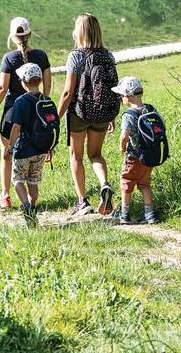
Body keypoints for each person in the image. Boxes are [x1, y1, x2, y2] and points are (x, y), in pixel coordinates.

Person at [56, 13, 121, 216]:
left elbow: (68, 92)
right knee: (96, 154)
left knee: (76, 156)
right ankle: (104, 184)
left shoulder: (76, 56)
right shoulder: (108, 56)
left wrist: (54, 119)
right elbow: (110, 86)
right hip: (102, 112)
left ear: (80, 32)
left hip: (79, 113)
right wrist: (111, 115)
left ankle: (82, 201)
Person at [0, 17, 51, 208]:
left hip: (12, 112)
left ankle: (6, 195)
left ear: (12, 37)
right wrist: (43, 103)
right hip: (36, 112)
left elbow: (2, 88)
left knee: (7, 154)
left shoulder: (9, 58)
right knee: (31, 150)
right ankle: (32, 197)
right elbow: (47, 84)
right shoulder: (41, 56)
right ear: (29, 34)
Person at [6, 62, 60, 227]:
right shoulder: (47, 100)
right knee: (33, 182)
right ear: (40, 81)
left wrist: (9, 146)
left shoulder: (21, 101)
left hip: (24, 149)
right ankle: (33, 207)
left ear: (23, 82)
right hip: (41, 150)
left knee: (17, 180)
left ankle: (26, 206)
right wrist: (50, 147)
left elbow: (16, 127)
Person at [112, 76, 162, 225]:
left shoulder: (129, 115)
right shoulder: (150, 109)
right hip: (149, 155)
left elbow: (124, 136)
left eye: (121, 96)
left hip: (133, 156)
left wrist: (122, 147)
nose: (121, 99)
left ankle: (124, 214)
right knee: (145, 184)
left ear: (127, 96)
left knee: (126, 183)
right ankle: (150, 215)